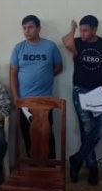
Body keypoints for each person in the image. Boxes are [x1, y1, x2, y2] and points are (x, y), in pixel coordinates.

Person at [62, 15, 102, 185]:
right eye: (81, 30)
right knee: (87, 129)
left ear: (95, 29)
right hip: (80, 90)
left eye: (86, 30)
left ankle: (78, 158)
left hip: (99, 91)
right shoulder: (78, 42)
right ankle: (92, 167)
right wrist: (72, 29)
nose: (83, 33)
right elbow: (67, 42)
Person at [9, 15, 63, 156]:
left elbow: (58, 66)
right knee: (28, 134)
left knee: (47, 134)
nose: (27, 31)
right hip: (24, 101)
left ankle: (50, 164)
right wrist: (16, 97)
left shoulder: (50, 46)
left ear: (38, 28)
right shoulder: (18, 48)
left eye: (30, 27)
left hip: (45, 100)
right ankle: (32, 165)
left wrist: (45, 75)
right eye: (24, 28)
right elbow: (13, 73)